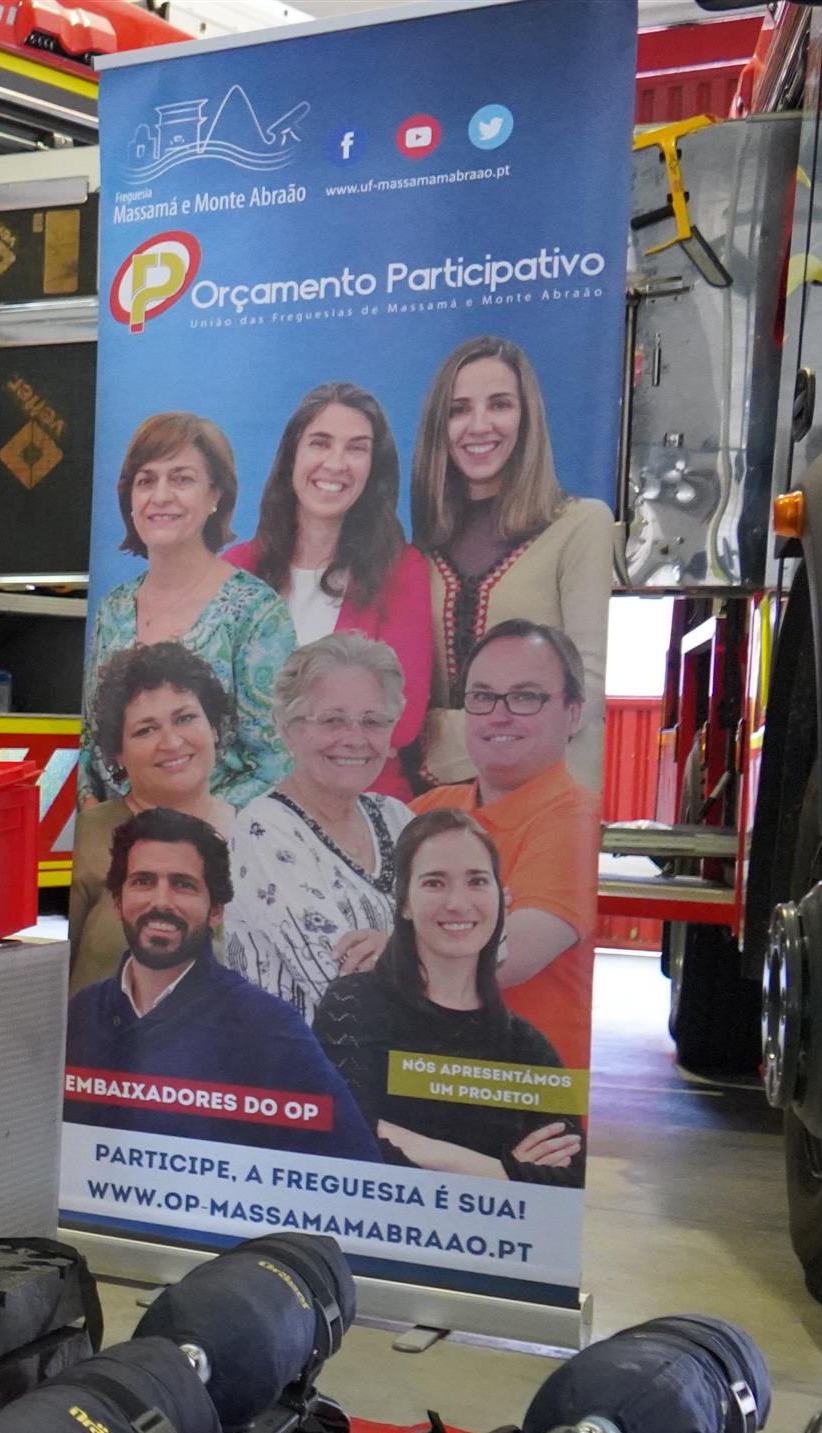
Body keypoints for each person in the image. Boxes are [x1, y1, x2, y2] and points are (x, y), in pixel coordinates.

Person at [64, 808, 381, 1161]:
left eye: (183, 885)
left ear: (216, 911)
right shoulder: (81, 1012)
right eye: (143, 881)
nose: (161, 901)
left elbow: (354, 1164)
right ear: (119, 903)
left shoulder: (269, 1027)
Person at [314, 810, 584, 1185]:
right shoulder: (353, 1004)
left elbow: (568, 1182)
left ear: (498, 896)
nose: (458, 902)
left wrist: (415, 1145)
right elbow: (343, 1137)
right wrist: (505, 1171)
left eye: (476, 881)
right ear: (404, 903)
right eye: (434, 883)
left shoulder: (528, 1048)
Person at [387, 620, 598, 1067]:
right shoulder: (426, 811)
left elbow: (501, 960)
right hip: (424, 1081)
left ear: (574, 712)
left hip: (521, 1099)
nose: (499, 715)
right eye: (482, 696)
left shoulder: (575, 821)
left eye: (525, 696)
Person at [410, 337, 613, 788]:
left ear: (527, 418)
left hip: (545, 811)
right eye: (458, 409)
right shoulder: (419, 552)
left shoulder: (582, 526)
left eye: (499, 404)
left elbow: (583, 698)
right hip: (435, 819)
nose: (478, 425)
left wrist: (437, 738)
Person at [223, 381, 437, 796]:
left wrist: (266, 726)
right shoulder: (235, 571)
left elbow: (402, 721)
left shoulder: (402, 570)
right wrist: (345, 720)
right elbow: (214, 712)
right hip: (248, 806)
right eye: (320, 443)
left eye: (356, 448)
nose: (336, 463)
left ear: (374, 468)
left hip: (363, 804)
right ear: (292, 457)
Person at [85, 412, 294, 806]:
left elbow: (275, 764)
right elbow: (90, 743)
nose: (161, 495)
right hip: (115, 848)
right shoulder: (111, 608)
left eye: (181, 478)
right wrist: (95, 815)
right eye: (146, 480)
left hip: (215, 850)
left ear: (215, 495)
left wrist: (179, 828)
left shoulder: (257, 612)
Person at [221, 634, 414, 1018]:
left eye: (373, 721)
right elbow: (345, 987)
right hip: (295, 1070)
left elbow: (492, 943)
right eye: (332, 720)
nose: (355, 739)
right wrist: (429, 947)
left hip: (396, 1066)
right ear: (289, 729)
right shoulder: (264, 829)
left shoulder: (398, 818)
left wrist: (394, 948)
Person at [69, 643, 237, 995]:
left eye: (185, 718)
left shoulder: (262, 835)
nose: (172, 742)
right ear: (119, 754)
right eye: (146, 729)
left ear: (214, 729)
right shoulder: (83, 839)